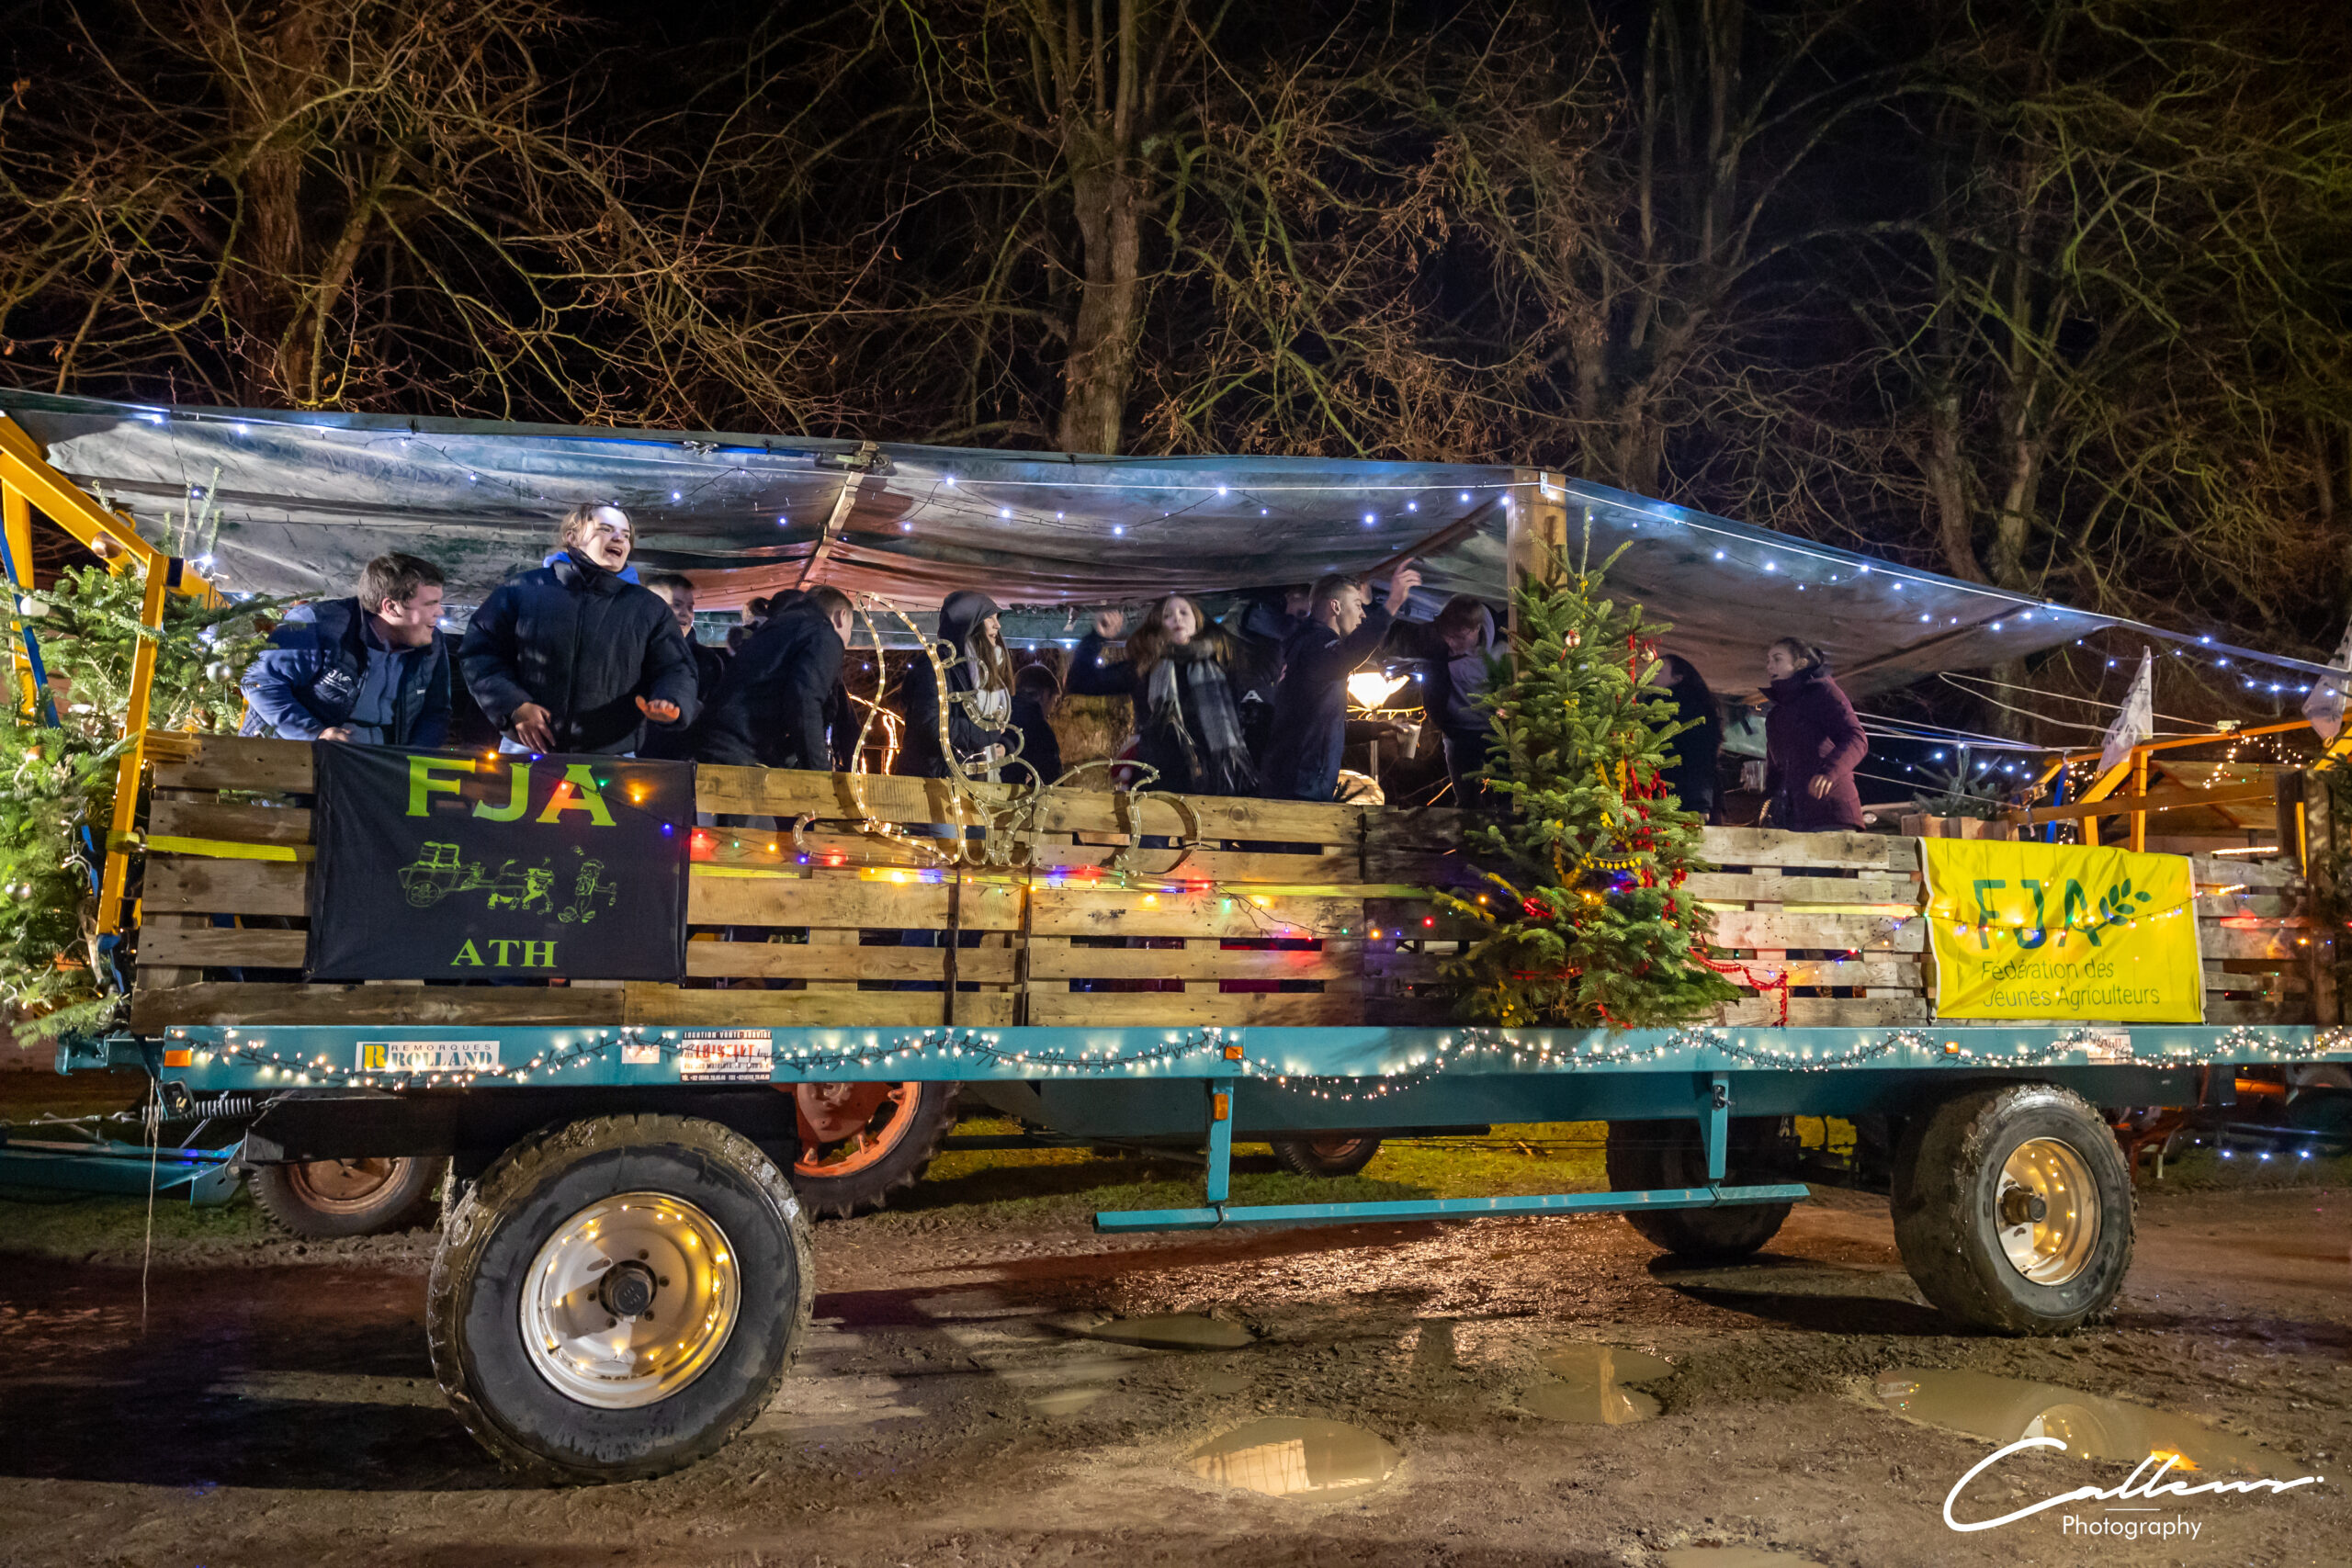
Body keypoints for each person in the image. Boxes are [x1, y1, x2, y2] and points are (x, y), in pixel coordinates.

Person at [458, 503, 698, 756]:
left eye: (626, 535)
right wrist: (514, 706)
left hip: (612, 756)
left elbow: (676, 667)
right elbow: (480, 653)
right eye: (605, 529)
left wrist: (670, 699)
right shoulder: (522, 590)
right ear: (572, 537)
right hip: (526, 748)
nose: (619, 538)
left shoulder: (648, 608)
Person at [241, 552, 450, 747]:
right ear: (391, 607)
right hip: (288, 758)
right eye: (430, 604)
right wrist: (315, 734)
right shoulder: (316, 623)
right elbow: (260, 683)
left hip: (373, 764)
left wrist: (410, 759)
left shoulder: (433, 643)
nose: (440, 612)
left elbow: (436, 712)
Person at [1067, 594, 1258, 795]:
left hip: (1217, 786)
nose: (1177, 618)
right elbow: (1081, 681)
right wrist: (1096, 637)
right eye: (1167, 615)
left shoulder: (1223, 665)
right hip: (1158, 786)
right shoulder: (1145, 668)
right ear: (1157, 626)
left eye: (1184, 612)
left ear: (1197, 622)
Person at [1261, 563, 1422, 801]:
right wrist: (1393, 603)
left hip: (1299, 783)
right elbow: (1353, 650)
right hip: (1299, 788)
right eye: (1357, 605)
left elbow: (1326, 727)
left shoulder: (1310, 648)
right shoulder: (1315, 645)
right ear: (1335, 606)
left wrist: (1379, 728)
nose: (1363, 614)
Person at [696, 587, 856, 771]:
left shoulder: (782, 624)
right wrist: (819, 771)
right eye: (850, 628)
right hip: (740, 752)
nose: (848, 638)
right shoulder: (823, 634)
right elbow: (804, 702)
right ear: (841, 616)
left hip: (716, 742)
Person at [899, 590, 1013, 778]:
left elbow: (1000, 722)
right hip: (933, 781)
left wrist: (1004, 743)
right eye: (989, 618)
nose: (997, 625)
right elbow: (932, 726)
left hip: (968, 780)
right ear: (970, 623)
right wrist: (987, 733)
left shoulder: (981, 670)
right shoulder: (934, 668)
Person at [1761, 637, 1866, 831]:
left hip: (1831, 814)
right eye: (1768, 661)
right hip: (1793, 820)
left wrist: (1829, 773)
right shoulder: (1776, 715)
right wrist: (1768, 804)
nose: (1769, 666)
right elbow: (1775, 768)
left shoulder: (1824, 692)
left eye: (1777, 659)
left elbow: (1856, 738)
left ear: (1800, 663)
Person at [639, 571, 728, 761]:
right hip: (623, 759)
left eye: (690, 607)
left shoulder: (708, 662)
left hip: (682, 764)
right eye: (676, 605)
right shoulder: (628, 652)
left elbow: (717, 718)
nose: (685, 614)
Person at [1655, 653, 1723, 823]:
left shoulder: (1692, 710)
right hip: (1658, 797)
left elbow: (1701, 758)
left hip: (1684, 800)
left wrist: (1699, 803)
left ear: (1677, 678)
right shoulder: (1650, 709)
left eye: (1660, 671)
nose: (1652, 674)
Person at [1009, 661, 1065, 786]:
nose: (1052, 710)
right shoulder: (1040, 730)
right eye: (1054, 700)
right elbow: (1052, 777)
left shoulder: (1003, 716)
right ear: (1045, 694)